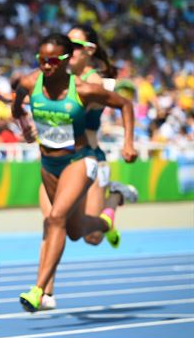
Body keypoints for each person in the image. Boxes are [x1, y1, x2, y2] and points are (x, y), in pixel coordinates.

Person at [12, 33, 137, 312]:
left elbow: (124, 104)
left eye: (53, 60)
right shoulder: (30, 82)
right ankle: (110, 212)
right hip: (48, 164)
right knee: (76, 230)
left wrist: (128, 143)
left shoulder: (87, 86)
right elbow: (16, 102)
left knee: (56, 218)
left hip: (82, 159)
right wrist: (23, 125)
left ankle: (40, 291)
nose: (46, 65)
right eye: (41, 60)